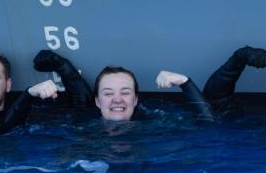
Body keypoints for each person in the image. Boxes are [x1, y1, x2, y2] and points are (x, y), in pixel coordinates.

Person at [33, 50, 213, 122]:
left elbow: (209, 127)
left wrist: (184, 82)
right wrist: (28, 93)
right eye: (108, 93)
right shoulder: (83, 127)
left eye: (125, 92)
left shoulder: (155, 126)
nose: (117, 100)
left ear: (135, 100)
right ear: (97, 101)